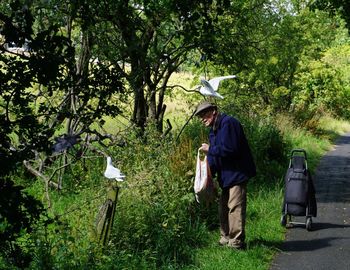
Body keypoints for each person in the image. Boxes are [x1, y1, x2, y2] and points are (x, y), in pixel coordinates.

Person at [195, 101, 256, 250]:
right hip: (225, 176)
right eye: (200, 116)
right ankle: (226, 237)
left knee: (235, 207)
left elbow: (231, 149)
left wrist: (210, 150)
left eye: (205, 114)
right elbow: (216, 157)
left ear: (214, 111)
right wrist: (210, 176)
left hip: (238, 172)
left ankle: (236, 243)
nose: (203, 118)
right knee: (223, 207)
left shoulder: (229, 123)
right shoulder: (213, 131)